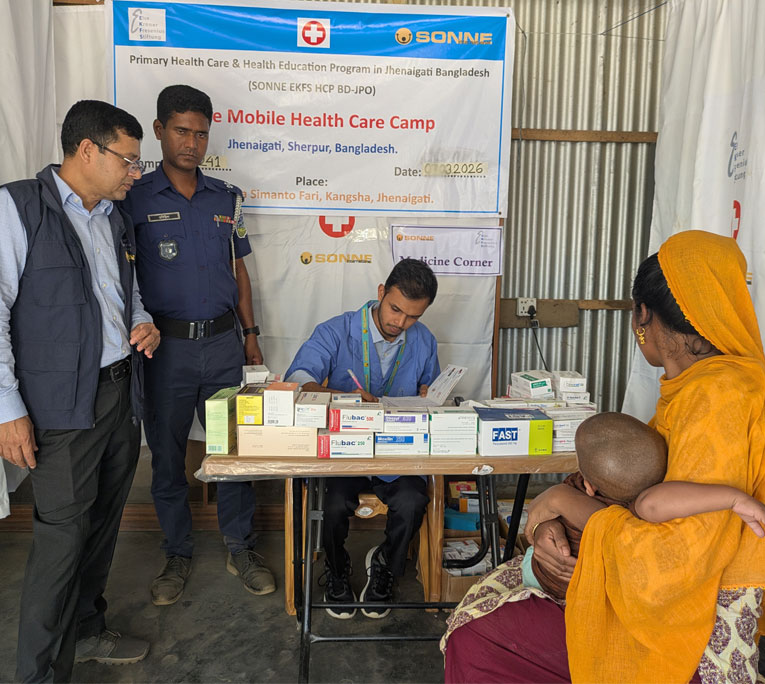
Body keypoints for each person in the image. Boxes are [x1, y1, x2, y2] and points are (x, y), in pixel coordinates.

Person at [442, 231, 765, 683]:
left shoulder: (721, 398)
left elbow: (670, 565)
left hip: (688, 631)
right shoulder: (701, 387)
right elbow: (643, 499)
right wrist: (549, 521)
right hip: (663, 603)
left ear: (643, 314)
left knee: (477, 635)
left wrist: (560, 505)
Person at [0, 100, 161, 682]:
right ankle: (39, 674)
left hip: (119, 396)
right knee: (60, 544)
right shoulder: (18, 207)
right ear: (86, 150)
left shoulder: (109, 216)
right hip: (61, 409)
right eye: (128, 160)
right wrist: (7, 410)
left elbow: (125, 292)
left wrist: (143, 321)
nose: (134, 173)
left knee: (102, 527)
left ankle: (89, 633)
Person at [122, 85, 274, 606]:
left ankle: (241, 547)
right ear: (160, 130)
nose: (192, 142)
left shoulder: (226, 198)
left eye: (201, 132)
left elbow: (240, 270)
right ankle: (177, 552)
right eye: (182, 130)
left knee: (233, 452)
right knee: (167, 456)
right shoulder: (133, 198)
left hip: (225, 345)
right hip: (165, 351)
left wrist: (251, 336)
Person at [285, 258, 440, 618]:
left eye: (412, 316)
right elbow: (298, 380)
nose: (399, 323)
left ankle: (384, 562)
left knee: (414, 500)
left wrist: (430, 394)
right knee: (333, 502)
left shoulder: (424, 340)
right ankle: (338, 569)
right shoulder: (335, 331)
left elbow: (427, 391)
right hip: (344, 452)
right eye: (395, 309)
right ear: (381, 293)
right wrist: (345, 398)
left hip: (397, 454)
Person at [521, 412, 765, 600]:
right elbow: (659, 501)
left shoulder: (578, 497)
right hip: (595, 587)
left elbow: (597, 518)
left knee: (529, 560)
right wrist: (734, 498)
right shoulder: (640, 505)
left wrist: (556, 500)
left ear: (590, 486)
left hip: (549, 580)